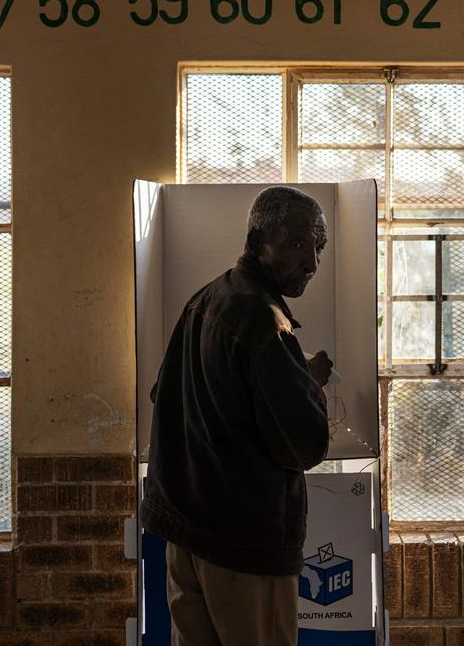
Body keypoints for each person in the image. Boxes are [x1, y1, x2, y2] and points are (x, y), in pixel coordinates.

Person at [140, 185, 334, 646]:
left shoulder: (207, 299)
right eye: (298, 243)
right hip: (242, 543)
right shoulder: (266, 321)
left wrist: (291, 375)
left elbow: (165, 393)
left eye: (317, 247)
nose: (312, 262)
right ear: (257, 241)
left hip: (187, 530)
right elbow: (303, 446)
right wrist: (308, 385)